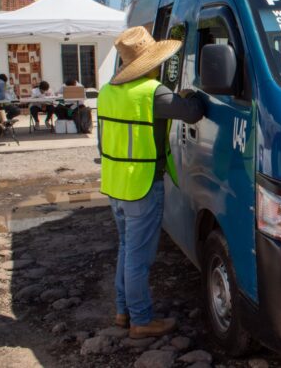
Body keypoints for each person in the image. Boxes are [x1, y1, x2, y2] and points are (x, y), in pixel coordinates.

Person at [98, 26, 205, 339]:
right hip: (142, 184)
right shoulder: (152, 92)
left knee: (127, 249)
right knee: (138, 259)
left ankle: (123, 311)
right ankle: (142, 320)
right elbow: (192, 112)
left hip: (115, 184)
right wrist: (192, 95)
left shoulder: (107, 91)